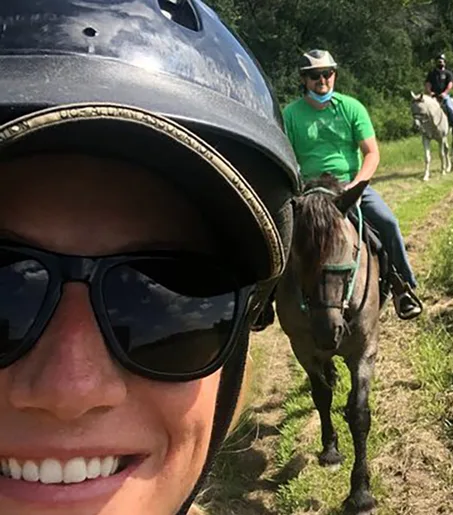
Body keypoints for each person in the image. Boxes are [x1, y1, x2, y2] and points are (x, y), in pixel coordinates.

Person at [0, 1, 297, 515]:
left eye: (160, 302)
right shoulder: (301, 114)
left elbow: (368, 152)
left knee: (375, 224)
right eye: (5, 292)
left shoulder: (347, 110)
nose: (70, 390)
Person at [282, 50, 423, 320]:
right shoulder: (290, 114)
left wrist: (357, 185)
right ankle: (263, 301)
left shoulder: (352, 108)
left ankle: (403, 287)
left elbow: (372, 152)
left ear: (334, 75)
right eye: (314, 75)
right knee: (279, 234)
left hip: (349, 186)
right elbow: (286, 155)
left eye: (327, 74)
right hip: (310, 190)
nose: (322, 80)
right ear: (304, 78)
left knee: (388, 223)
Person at [424, 54, 453, 132]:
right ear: (436, 62)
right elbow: (428, 84)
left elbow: (450, 84)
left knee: (450, 108)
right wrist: (430, 92)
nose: (440, 62)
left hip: (444, 96)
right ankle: (422, 128)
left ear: (444, 62)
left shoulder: (448, 73)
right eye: (438, 61)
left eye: (442, 61)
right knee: (423, 109)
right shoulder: (432, 73)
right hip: (433, 96)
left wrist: (445, 93)